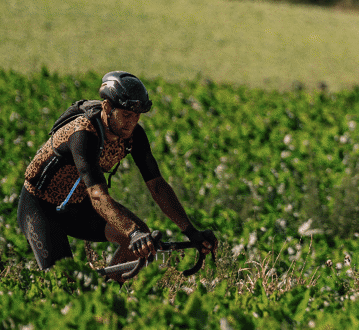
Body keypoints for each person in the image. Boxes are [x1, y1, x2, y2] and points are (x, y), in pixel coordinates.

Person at [18, 71, 217, 271]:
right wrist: (132, 233)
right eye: (126, 115)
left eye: (137, 116)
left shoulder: (134, 136)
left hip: (77, 205)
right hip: (40, 207)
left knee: (141, 239)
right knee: (63, 283)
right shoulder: (83, 134)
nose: (131, 122)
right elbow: (97, 195)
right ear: (107, 107)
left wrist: (190, 231)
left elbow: (157, 185)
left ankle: (110, 288)